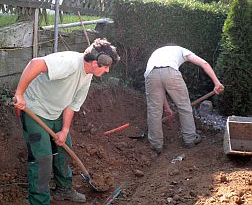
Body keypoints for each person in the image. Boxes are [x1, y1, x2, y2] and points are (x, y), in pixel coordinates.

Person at [14, 38, 120, 205]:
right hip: (35, 110)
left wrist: (64, 130)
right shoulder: (70, 63)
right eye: (106, 67)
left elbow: (72, 104)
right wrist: (19, 94)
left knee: (64, 149)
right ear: (94, 63)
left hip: (55, 113)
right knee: (43, 159)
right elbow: (35, 64)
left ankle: (64, 189)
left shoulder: (88, 75)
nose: (107, 71)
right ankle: (39, 201)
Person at [144, 44, 224, 154]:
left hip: (151, 74)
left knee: (154, 111)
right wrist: (217, 82)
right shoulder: (182, 51)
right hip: (171, 72)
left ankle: (156, 145)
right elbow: (204, 63)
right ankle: (190, 139)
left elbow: (160, 83)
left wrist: (166, 108)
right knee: (184, 107)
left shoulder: (158, 53)